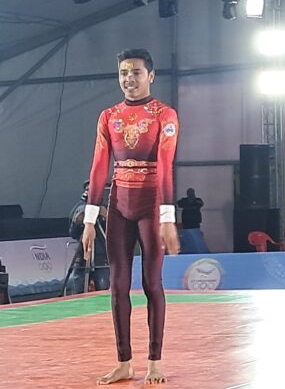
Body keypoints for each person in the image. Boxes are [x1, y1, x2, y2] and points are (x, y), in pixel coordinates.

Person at [82, 48, 181, 385]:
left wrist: (167, 218)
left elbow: (166, 165)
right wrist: (89, 219)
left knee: (152, 283)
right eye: (123, 72)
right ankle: (124, 363)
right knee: (118, 285)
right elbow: (99, 167)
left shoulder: (164, 114)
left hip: (151, 205)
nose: (129, 78)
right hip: (119, 206)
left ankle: (155, 362)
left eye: (136, 72)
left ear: (150, 75)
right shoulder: (108, 115)